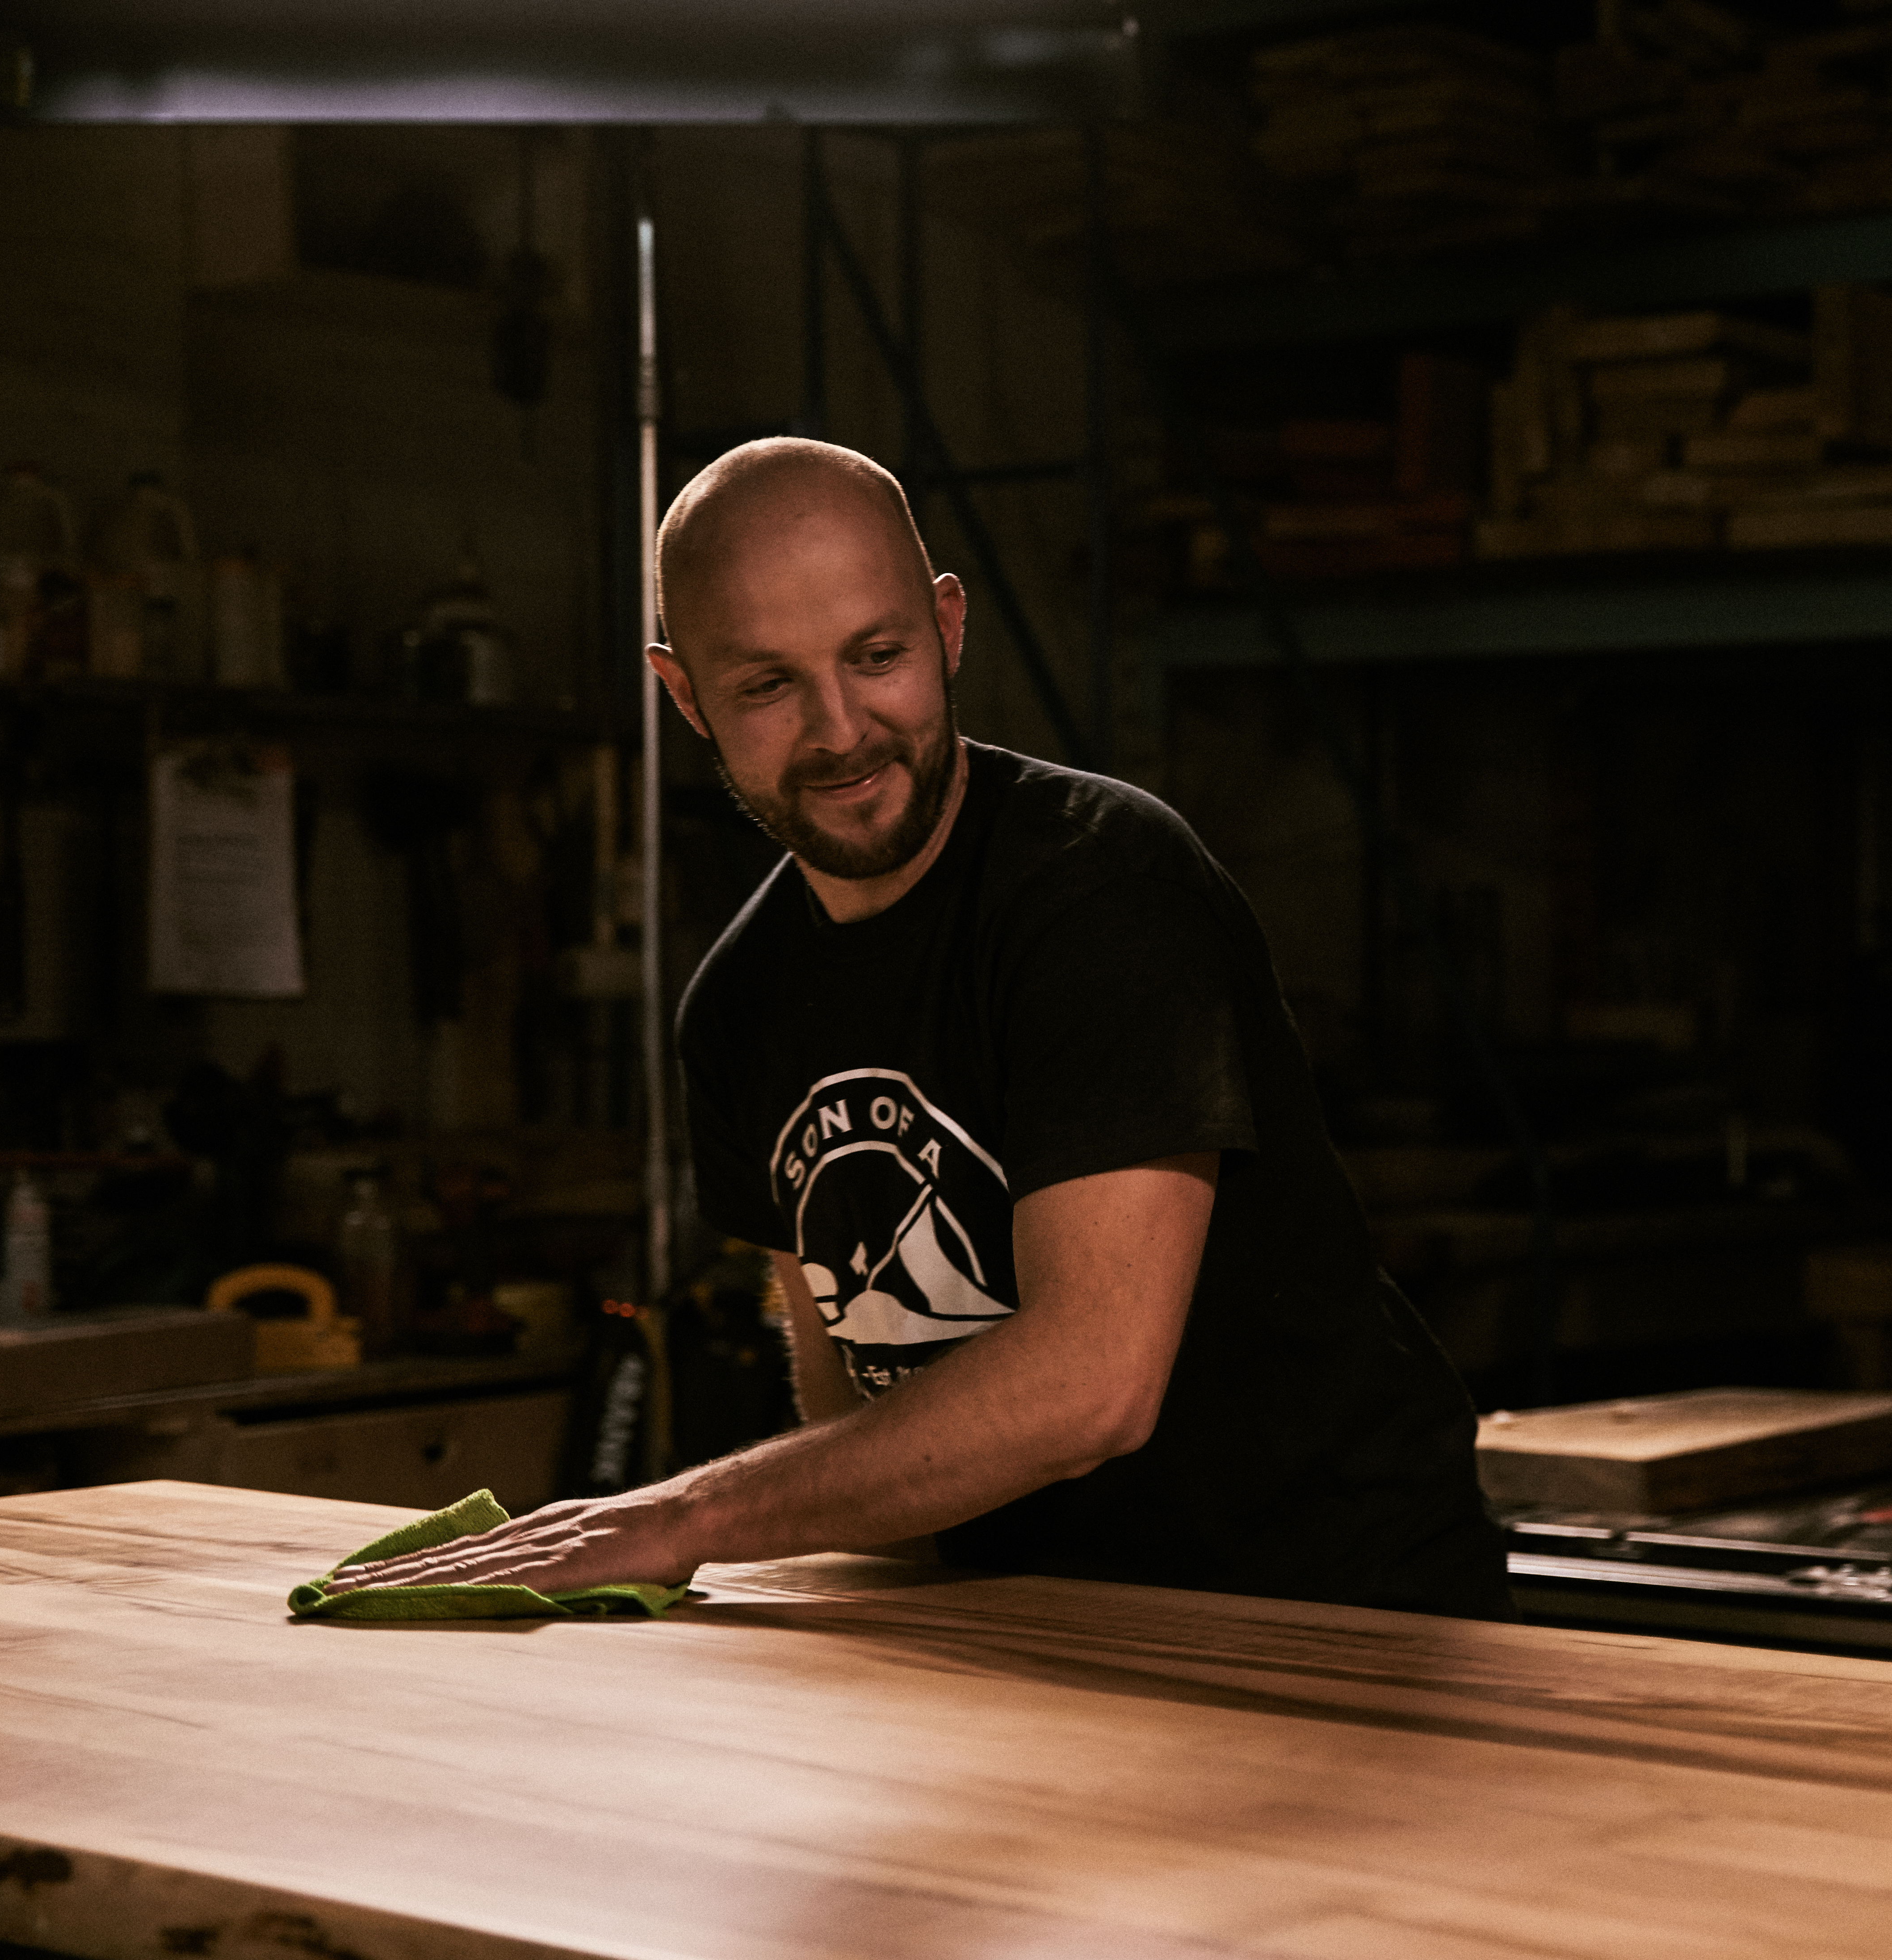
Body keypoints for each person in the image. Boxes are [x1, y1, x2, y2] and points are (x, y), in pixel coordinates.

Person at [331, 438, 1508, 1619]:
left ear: (947, 628)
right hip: (1037, 1642)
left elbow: (1094, 1384)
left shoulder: (1102, 892)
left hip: (1335, 1626)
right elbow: (853, 1412)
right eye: (766, 684)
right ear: (686, 694)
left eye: (877, 655)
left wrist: (683, 1517)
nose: (841, 729)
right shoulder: (739, 1008)